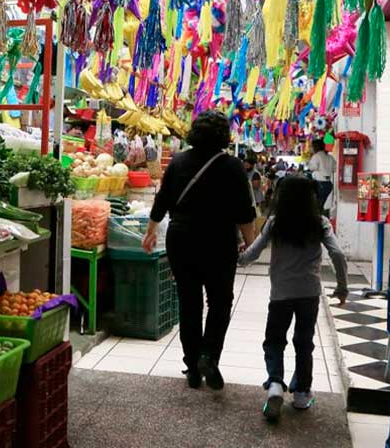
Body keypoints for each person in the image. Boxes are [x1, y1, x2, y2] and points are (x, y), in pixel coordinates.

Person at [143, 110, 256, 391]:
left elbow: (162, 201)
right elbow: (244, 213)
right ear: (223, 136)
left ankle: (192, 366)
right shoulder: (232, 167)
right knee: (219, 303)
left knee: (188, 301)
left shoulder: (179, 161)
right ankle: (209, 357)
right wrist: (250, 240)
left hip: (181, 240)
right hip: (218, 241)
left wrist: (150, 232)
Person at [237, 175, 349, 420]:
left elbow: (253, 252)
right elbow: (338, 254)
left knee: (275, 341)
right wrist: (342, 287)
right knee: (304, 343)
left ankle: (275, 384)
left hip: (280, 294)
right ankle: (301, 394)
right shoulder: (320, 222)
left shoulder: (275, 222)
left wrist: (238, 259)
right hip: (309, 293)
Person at [307, 138, 336, 213]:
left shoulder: (316, 156)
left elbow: (312, 167)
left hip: (319, 184)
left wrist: (309, 163)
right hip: (328, 184)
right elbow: (334, 169)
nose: (311, 149)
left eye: (312, 147)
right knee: (322, 205)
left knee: (316, 207)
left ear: (315, 147)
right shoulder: (330, 157)